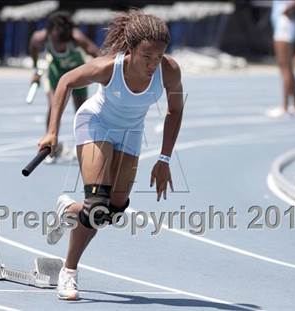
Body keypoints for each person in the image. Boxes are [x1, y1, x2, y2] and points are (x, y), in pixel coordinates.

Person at [38, 10, 184, 300]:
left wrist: (165, 159)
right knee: (96, 207)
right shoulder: (109, 67)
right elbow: (66, 81)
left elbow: (176, 110)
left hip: (130, 134)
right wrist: (52, 131)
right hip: (97, 124)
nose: (153, 64)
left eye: (159, 56)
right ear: (130, 50)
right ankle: (69, 273)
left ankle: (68, 210)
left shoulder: (170, 70)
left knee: (115, 210)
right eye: (146, 56)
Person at [29, 11, 100, 163]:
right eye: (55, 42)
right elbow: (33, 46)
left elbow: (95, 52)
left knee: (81, 109)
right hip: (56, 73)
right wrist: (35, 70)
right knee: (54, 106)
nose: (58, 45)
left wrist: (109, 72)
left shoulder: (76, 37)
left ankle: (83, 144)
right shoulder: (40, 37)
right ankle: (50, 146)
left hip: (77, 73)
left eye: (61, 42)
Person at [267, 0, 295, 118]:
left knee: (284, 68)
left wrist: (288, 8)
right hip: (287, 24)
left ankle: (284, 107)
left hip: (283, 25)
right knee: (289, 68)